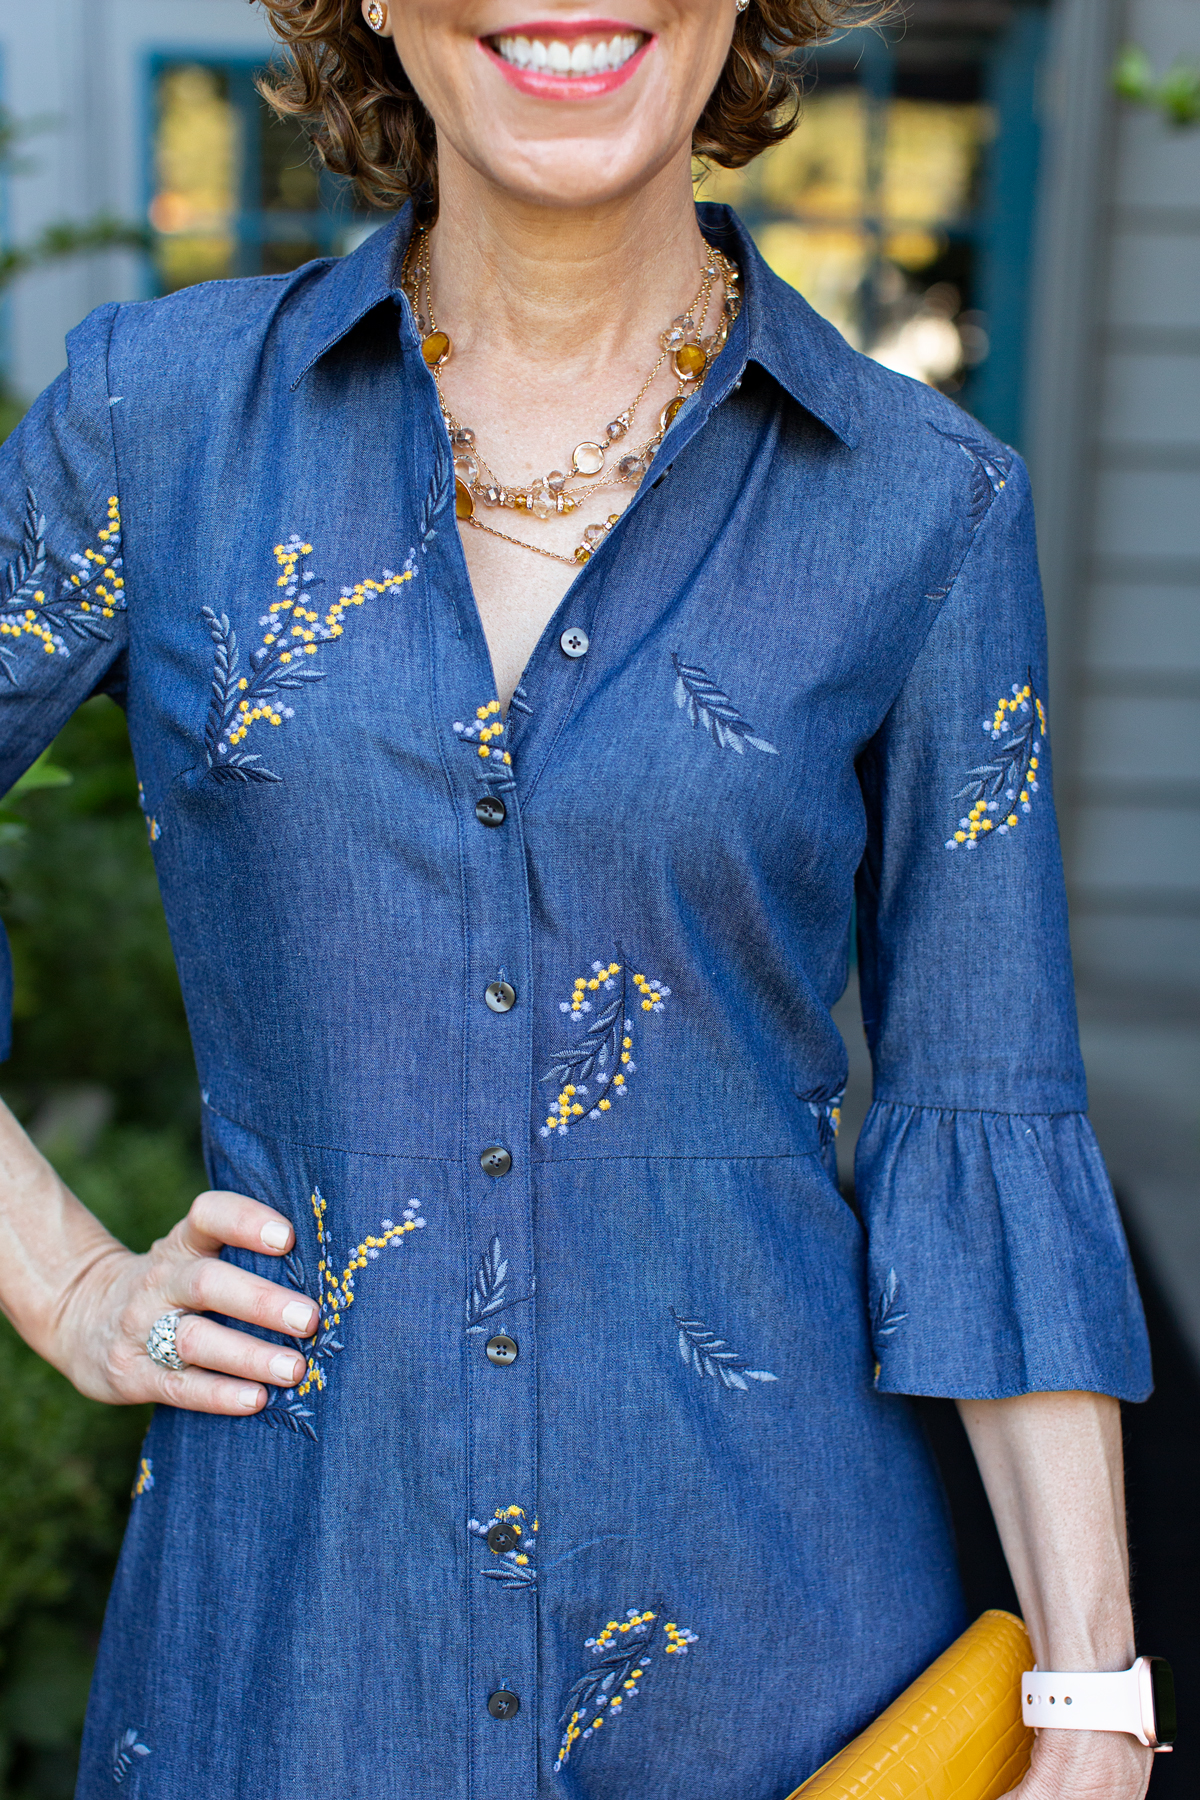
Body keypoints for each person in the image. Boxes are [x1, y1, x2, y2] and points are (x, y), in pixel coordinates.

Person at [0, 2, 1155, 1796]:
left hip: (784, 1666)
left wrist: (1094, 1688)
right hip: (302, 1642)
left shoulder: (926, 508)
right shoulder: (157, 426)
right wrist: (60, 1277)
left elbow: (982, 1105)